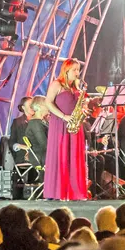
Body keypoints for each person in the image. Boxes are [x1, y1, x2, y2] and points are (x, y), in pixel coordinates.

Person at [43, 58, 88, 200]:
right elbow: (48, 102)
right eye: (74, 69)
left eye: (78, 69)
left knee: (74, 157)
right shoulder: (57, 84)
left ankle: (75, 192)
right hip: (60, 124)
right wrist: (63, 116)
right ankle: (56, 192)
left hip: (74, 126)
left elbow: (78, 106)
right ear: (66, 70)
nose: (77, 72)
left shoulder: (77, 88)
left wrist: (83, 110)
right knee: (60, 156)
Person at [8, 97, 33, 164]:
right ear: (23, 107)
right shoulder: (17, 122)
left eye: (33, 105)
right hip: (23, 157)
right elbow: (11, 142)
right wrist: (22, 147)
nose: (32, 107)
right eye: (30, 105)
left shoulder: (40, 121)